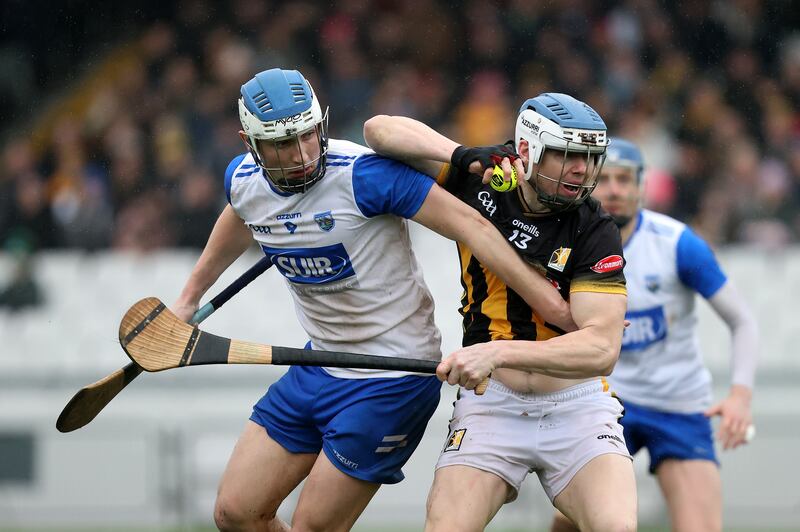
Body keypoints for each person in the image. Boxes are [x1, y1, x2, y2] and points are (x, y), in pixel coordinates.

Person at [171, 68, 574, 532]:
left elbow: (475, 228)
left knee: (313, 527)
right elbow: (242, 211)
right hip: (318, 362)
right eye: (282, 144)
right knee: (235, 514)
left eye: (307, 135)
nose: (301, 155)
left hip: (393, 375)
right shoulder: (243, 180)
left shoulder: (367, 176)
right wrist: (189, 298)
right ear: (250, 143)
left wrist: (554, 307)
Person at [364, 93, 637, 531]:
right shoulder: (481, 178)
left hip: (577, 407)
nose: (582, 170)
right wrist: (459, 153)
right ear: (526, 151)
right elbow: (379, 131)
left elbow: (601, 349)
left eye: (588, 158)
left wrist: (496, 354)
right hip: (493, 405)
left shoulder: (594, 227)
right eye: (566, 155)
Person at [551, 138, 759, 532]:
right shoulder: (566, 243)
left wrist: (740, 396)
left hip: (677, 403)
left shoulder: (678, 244)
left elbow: (743, 320)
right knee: (570, 523)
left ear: (642, 187)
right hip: (602, 403)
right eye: (605, 178)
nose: (614, 189)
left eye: (624, 179)